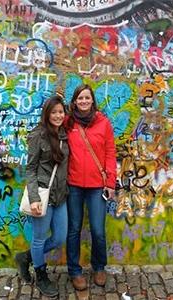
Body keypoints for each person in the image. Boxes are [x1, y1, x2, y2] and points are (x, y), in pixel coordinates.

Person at [15, 95, 69, 297]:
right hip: (43, 196)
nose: (57, 115)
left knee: (58, 238)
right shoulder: (37, 135)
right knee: (39, 239)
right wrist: (34, 197)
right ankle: (41, 275)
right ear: (46, 113)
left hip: (61, 197)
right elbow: (30, 169)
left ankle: (25, 257)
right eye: (53, 112)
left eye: (60, 112)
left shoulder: (65, 133)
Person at [65, 84, 116, 290]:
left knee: (97, 230)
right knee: (74, 229)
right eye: (80, 98)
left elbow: (110, 153)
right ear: (75, 102)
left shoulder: (103, 123)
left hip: (97, 186)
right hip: (74, 185)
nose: (84, 101)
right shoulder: (68, 123)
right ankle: (75, 271)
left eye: (87, 98)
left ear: (92, 100)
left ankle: (99, 267)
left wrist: (110, 182)